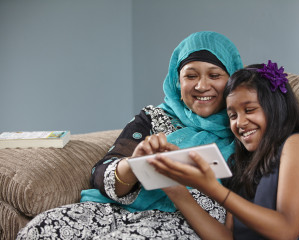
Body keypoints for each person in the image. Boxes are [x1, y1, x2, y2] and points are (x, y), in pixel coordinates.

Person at [16, 31, 244, 239]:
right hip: (115, 211)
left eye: (214, 75)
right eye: (190, 76)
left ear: (233, 81)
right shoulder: (153, 118)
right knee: (41, 229)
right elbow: (100, 173)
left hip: (184, 222)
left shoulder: (243, 130)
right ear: (177, 81)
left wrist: (177, 188)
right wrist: (134, 164)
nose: (202, 86)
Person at [148, 61, 299, 239]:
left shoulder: (298, 145)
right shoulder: (242, 164)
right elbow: (227, 237)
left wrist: (211, 188)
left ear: (276, 108)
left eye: (249, 110)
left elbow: (287, 230)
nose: (240, 123)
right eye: (232, 115)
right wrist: (176, 190)